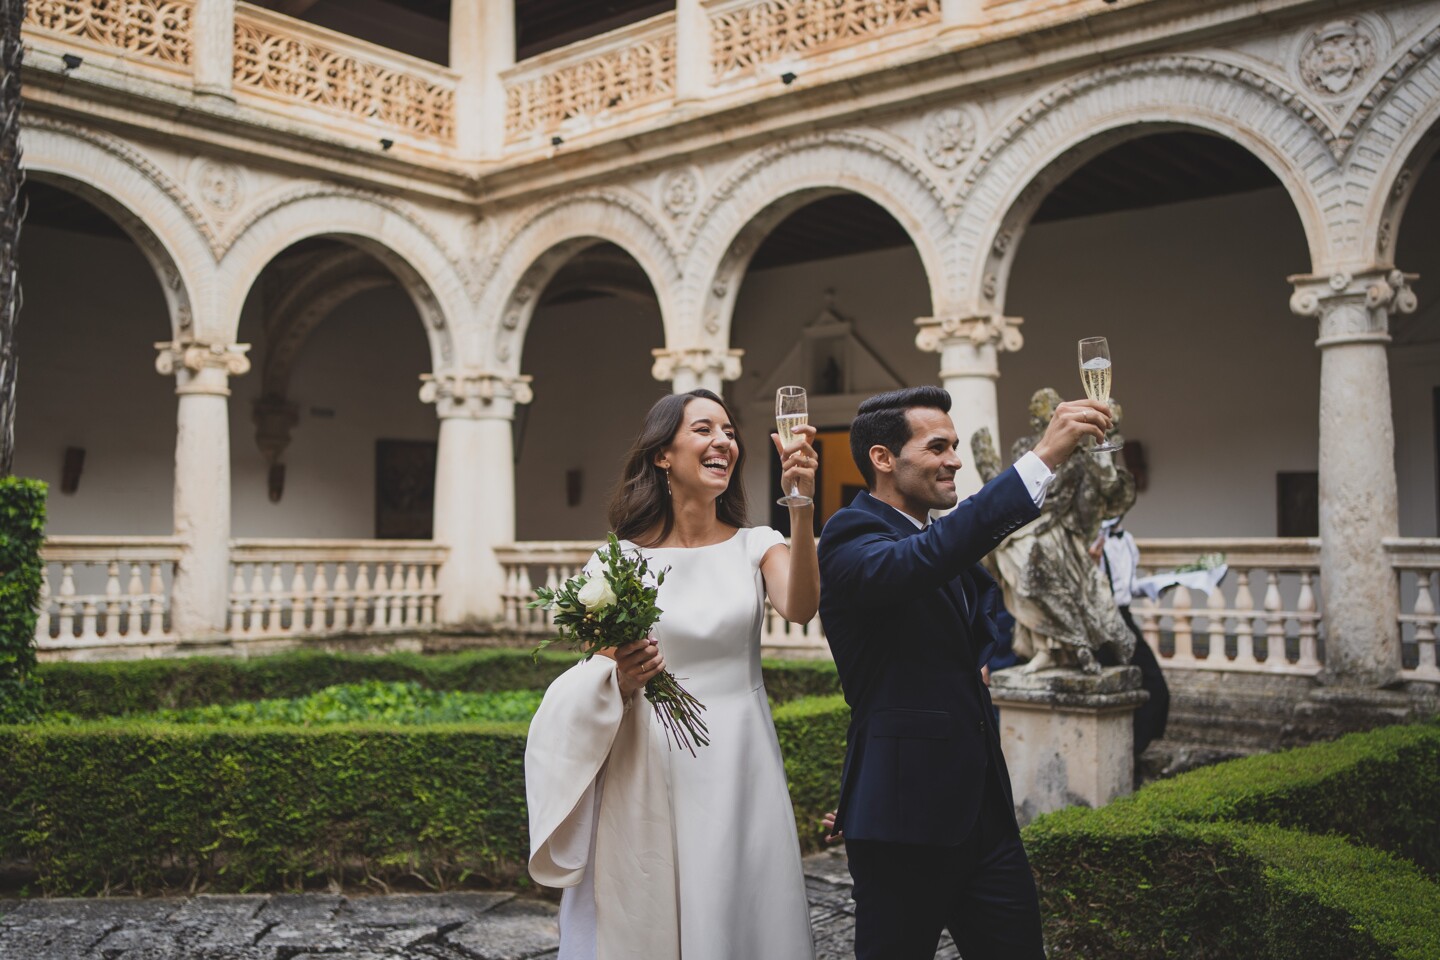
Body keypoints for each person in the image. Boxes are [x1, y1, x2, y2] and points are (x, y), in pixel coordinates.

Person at [525, 388, 820, 960]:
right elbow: (597, 667)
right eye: (705, 429)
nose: (723, 442)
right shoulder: (617, 563)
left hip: (740, 755)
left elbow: (802, 606)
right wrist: (624, 676)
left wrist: (801, 503)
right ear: (663, 454)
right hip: (648, 756)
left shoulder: (756, 545)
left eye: (730, 432)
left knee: (738, 900)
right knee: (650, 903)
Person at [817, 385, 1110, 960]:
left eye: (954, 445)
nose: (954, 459)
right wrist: (1041, 459)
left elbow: (978, 612)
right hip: (904, 822)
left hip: (985, 818)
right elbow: (923, 562)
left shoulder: (931, 539)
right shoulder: (850, 536)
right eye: (937, 447)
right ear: (883, 458)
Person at [1092, 513, 1170, 755]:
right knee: (1107, 688)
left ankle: (1133, 750)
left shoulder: (1128, 541)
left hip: (1124, 616)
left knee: (1156, 687)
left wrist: (1156, 586)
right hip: (1100, 619)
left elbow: (1127, 587)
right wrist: (1091, 564)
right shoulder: (1091, 539)